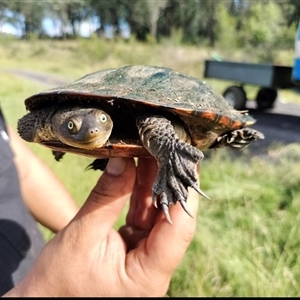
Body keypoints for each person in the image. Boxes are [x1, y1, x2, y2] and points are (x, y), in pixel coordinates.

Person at [1, 110, 200, 297]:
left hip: (27, 255)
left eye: (102, 119)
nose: (94, 129)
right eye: (72, 126)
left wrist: (85, 240)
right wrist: (41, 291)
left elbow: (20, 167)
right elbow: (27, 126)